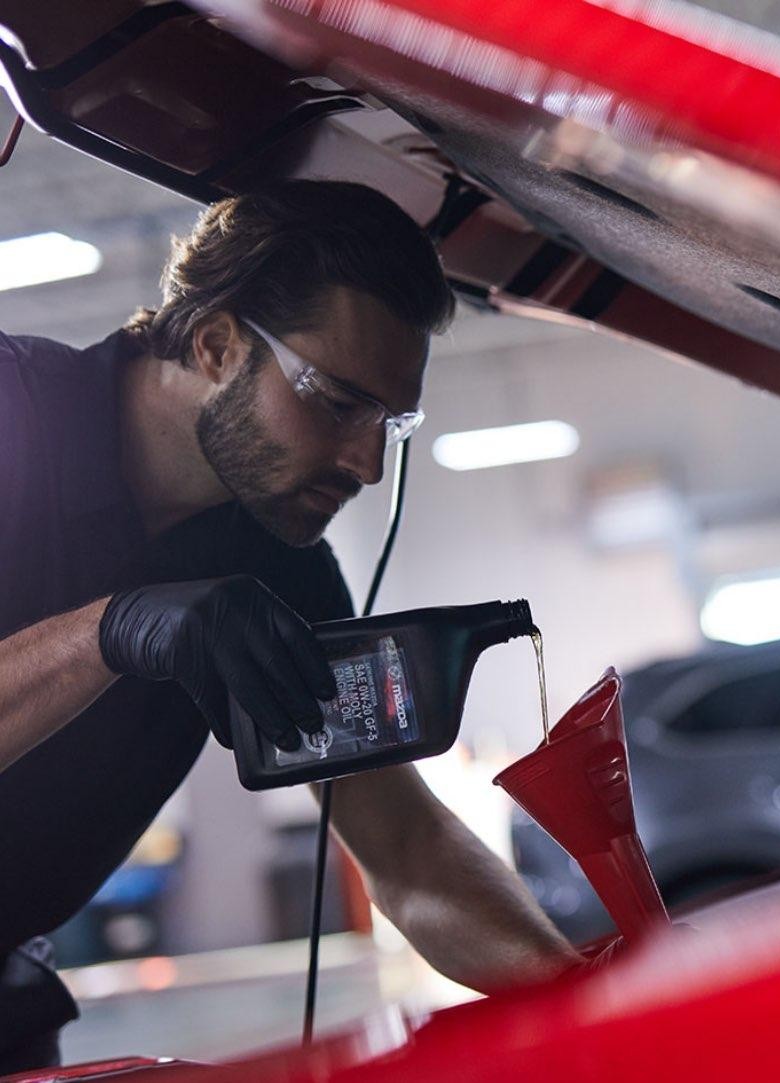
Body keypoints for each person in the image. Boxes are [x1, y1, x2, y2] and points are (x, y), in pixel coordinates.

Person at [0, 180, 581, 1071]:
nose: (367, 461)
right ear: (218, 343)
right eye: (337, 400)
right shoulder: (14, 419)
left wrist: (583, 996)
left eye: (391, 422)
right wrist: (108, 633)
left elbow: (408, 849)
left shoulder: (276, 567)